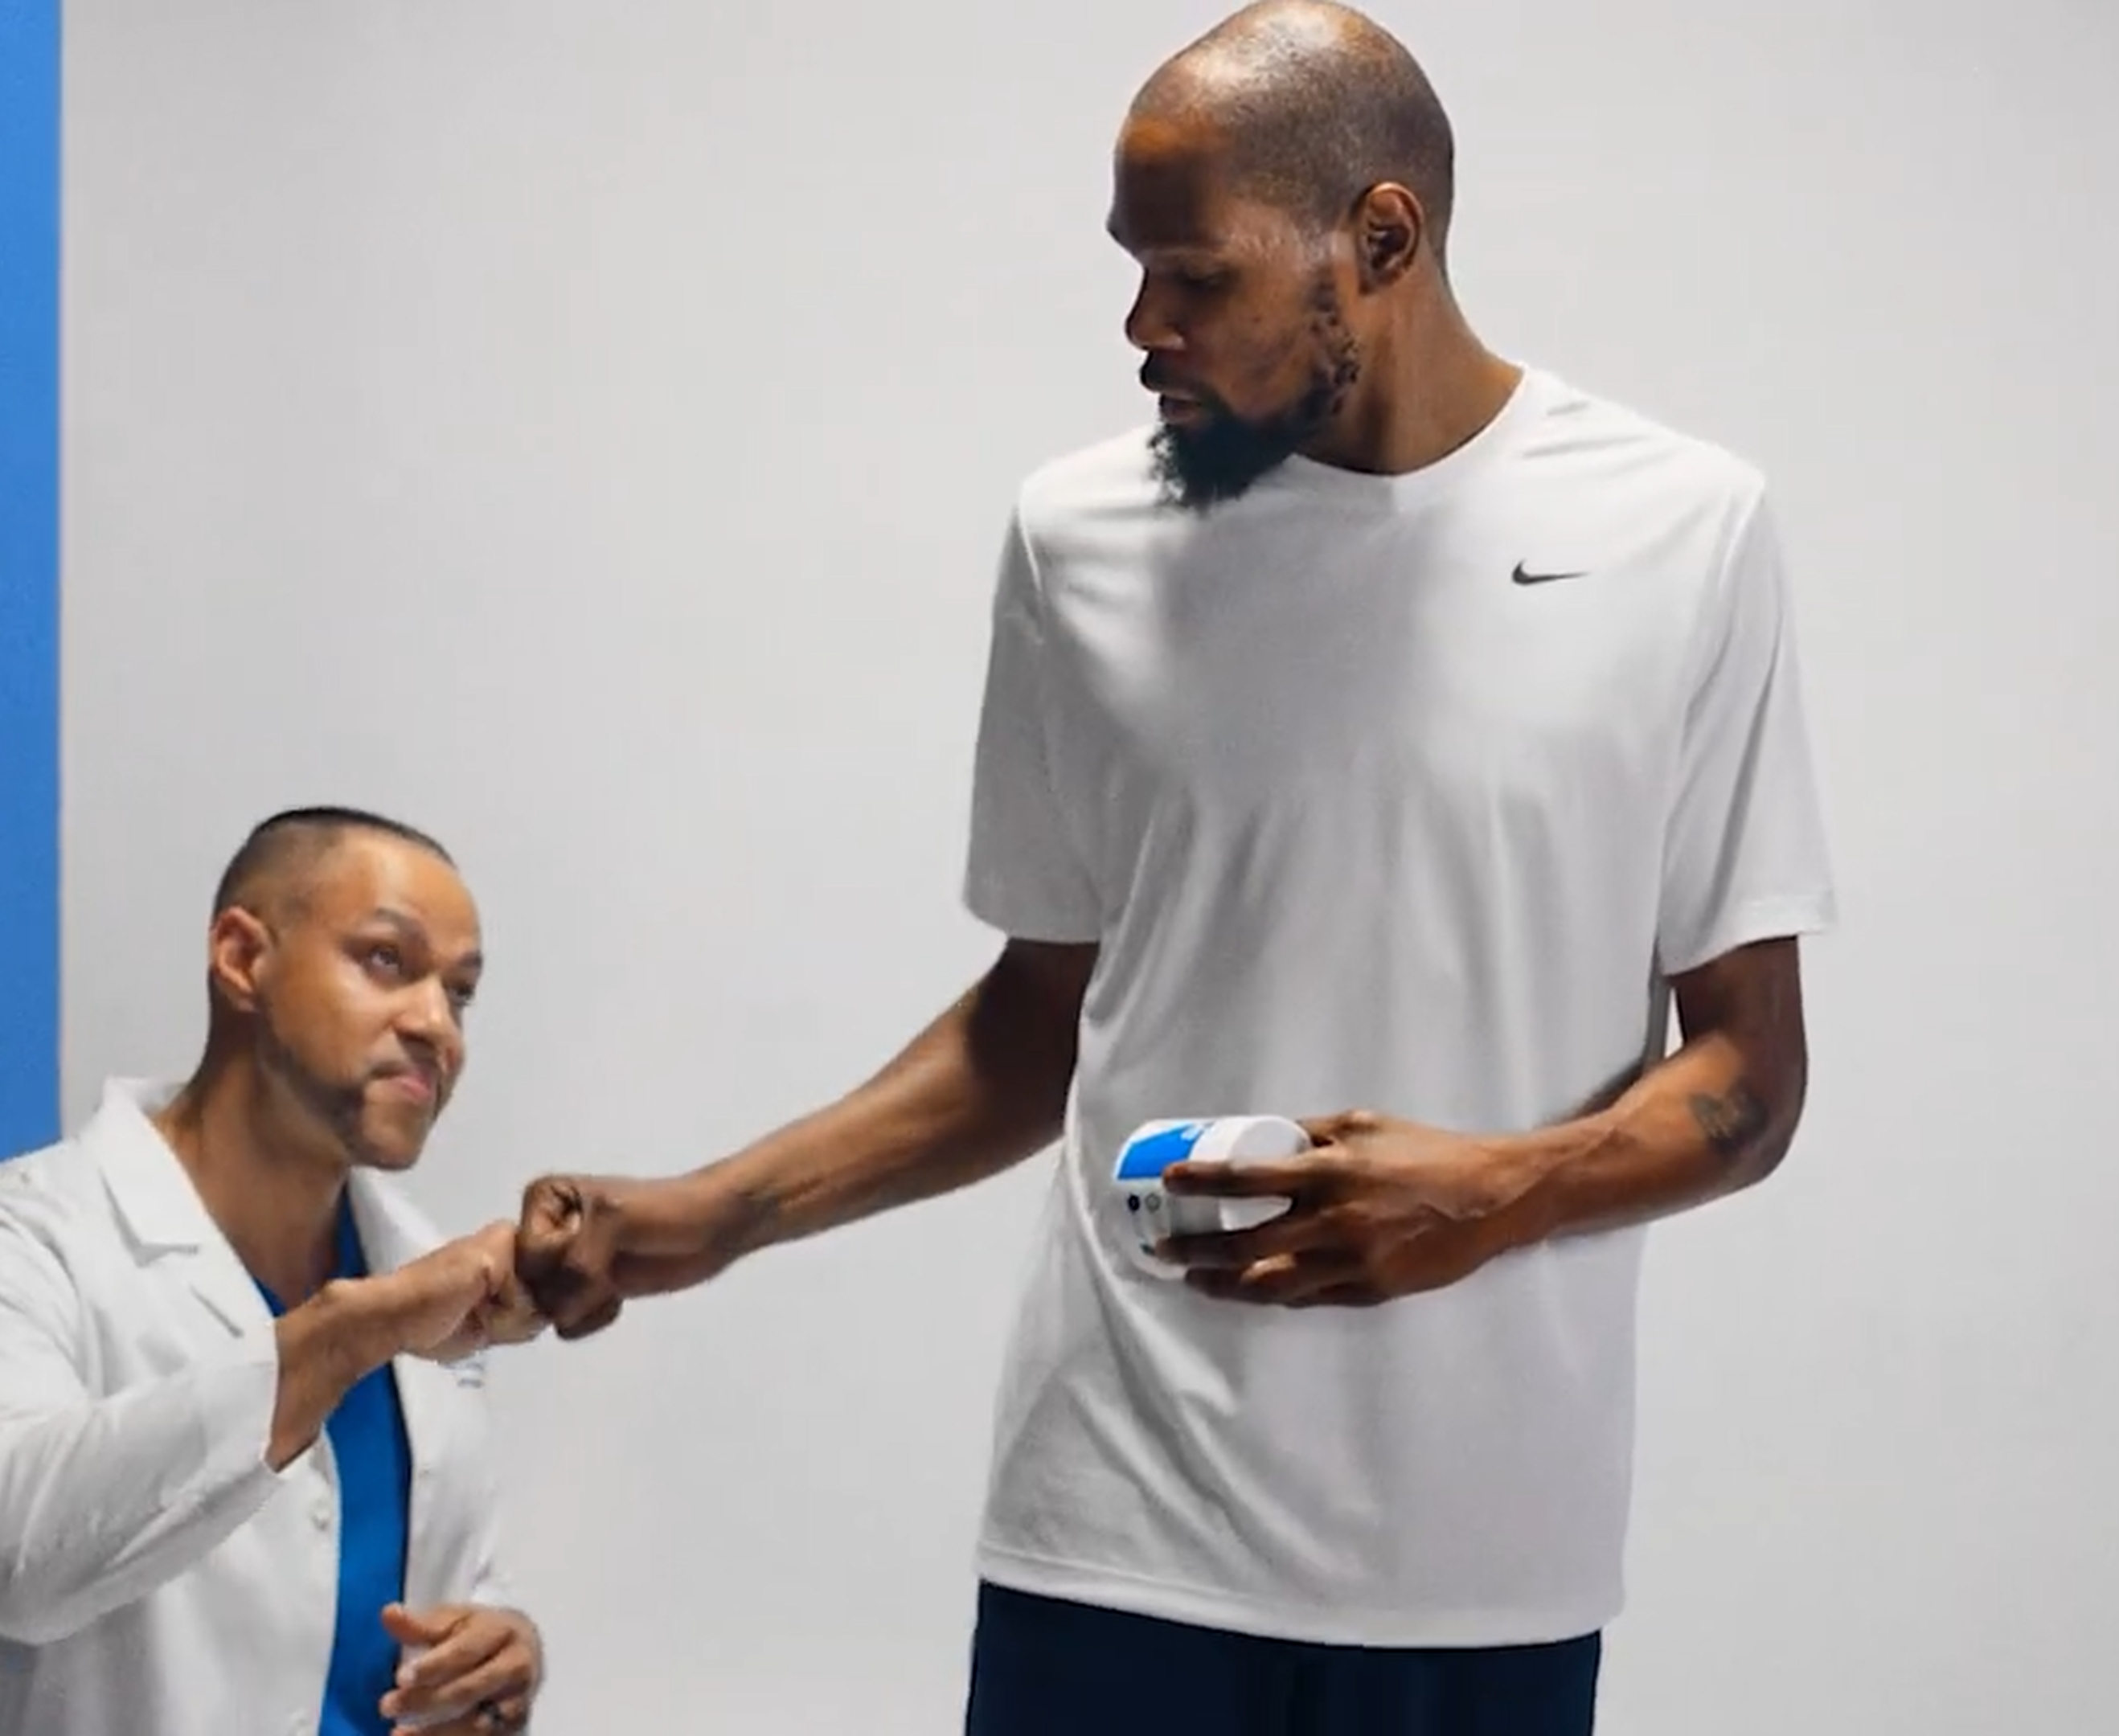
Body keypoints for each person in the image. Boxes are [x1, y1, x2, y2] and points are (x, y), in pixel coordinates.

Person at [513, 2, 1837, 1730]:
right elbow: (1038, 1020)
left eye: (1195, 276)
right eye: (1134, 269)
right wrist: (716, 1214)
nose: (1144, 327)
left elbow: (1750, 1074)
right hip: (1114, 1538)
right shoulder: (1080, 539)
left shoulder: (1681, 531)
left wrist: (1496, 1190)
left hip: (1482, 1567)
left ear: (1381, 240)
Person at [0, 806, 552, 1736]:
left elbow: (427, 1577)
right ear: (241, 957)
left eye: (458, 993)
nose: (438, 1026)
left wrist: (503, 1648)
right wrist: (344, 1339)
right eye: (387, 960)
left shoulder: (416, 1264)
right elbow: (2, 1555)